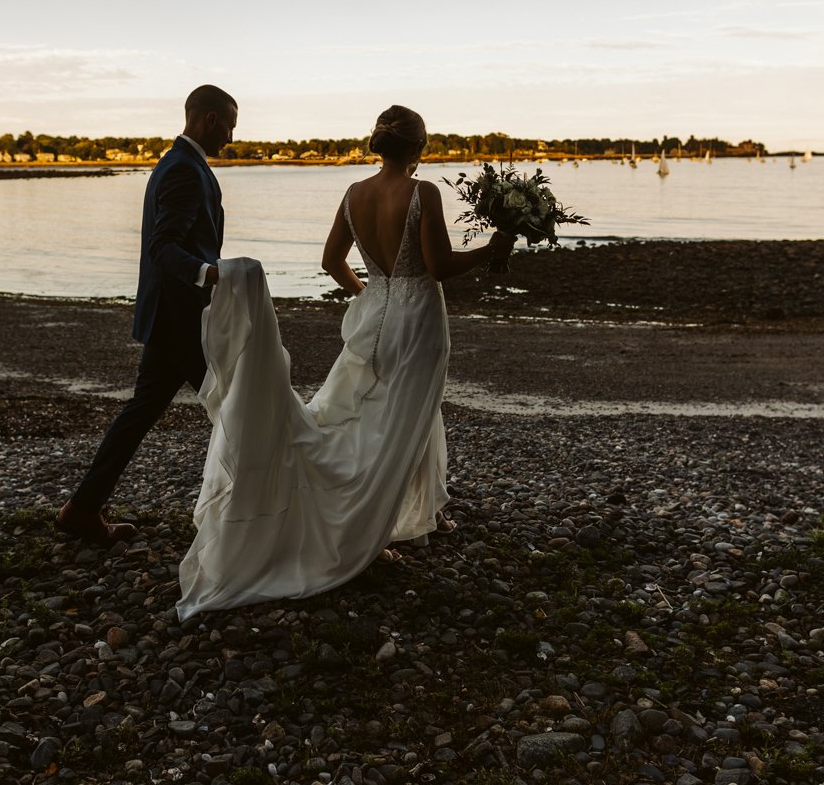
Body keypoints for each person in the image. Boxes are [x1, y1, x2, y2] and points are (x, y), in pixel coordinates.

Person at [176, 105, 513, 619]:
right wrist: (492, 250)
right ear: (419, 147)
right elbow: (438, 265)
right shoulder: (422, 193)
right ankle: (369, 527)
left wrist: (368, 290)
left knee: (391, 413)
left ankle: (424, 506)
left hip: (374, 310)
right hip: (417, 316)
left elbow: (331, 261)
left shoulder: (354, 194)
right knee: (404, 414)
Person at [55, 84, 237, 545]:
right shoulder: (183, 169)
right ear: (211, 119)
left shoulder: (179, 163)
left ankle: (82, 507)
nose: (232, 138)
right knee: (237, 407)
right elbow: (163, 246)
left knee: (149, 411)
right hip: (180, 321)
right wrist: (211, 274)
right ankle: (258, 513)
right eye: (230, 126)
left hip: (173, 317)